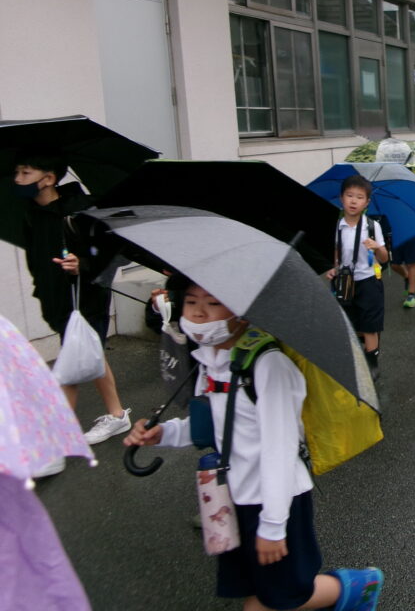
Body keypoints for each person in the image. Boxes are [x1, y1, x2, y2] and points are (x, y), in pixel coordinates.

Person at [124, 280, 384, 611]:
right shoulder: (209, 360)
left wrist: (273, 525)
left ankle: (358, 586)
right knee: (261, 590)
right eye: (190, 302)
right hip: (234, 497)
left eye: (213, 303)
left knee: (281, 597)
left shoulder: (269, 366)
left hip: (276, 499)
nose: (199, 313)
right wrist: (164, 433)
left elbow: (280, 449)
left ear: (243, 313)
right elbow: (211, 425)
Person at [12, 149, 131, 470]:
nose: (18, 179)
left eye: (25, 173)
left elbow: (111, 255)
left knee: (69, 370)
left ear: (48, 179)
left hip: (86, 300)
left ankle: (55, 449)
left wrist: (83, 264)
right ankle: (117, 415)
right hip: (56, 301)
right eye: (17, 173)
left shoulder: (81, 212)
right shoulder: (30, 214)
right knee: (90, 354)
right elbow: (35, 259)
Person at [325, 175, 388, 374]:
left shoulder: (372, 226)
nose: (353, 201)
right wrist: (333, 269)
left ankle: (372, 364)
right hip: (345, 282)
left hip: (368, 281)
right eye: (349, 195)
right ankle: (353, 361)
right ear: (341, 198)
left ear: (367, 202)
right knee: (348, 323)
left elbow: (384, 258)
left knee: (370, 324)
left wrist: (377, 247)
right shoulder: (336, 226)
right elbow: (336, 256)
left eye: (359, 197)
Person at [390, 233, 415, 309]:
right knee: (394, 265)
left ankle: (411, 295)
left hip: (412, 234)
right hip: (396, 236)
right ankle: (407, 276)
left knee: (411, 263)